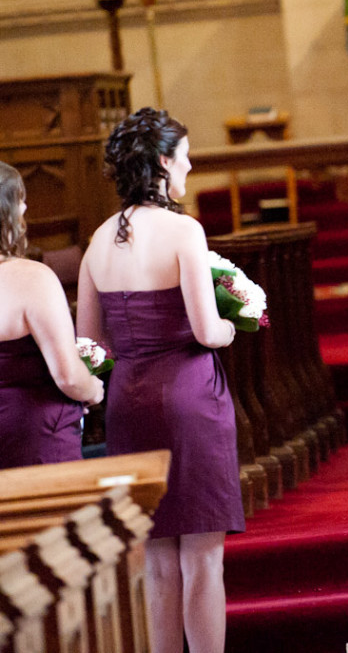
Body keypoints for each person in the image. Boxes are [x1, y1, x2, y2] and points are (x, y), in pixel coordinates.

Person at [75, 108, 243, 653]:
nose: (190, 165)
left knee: (157, 561)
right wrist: (233, 321)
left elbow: (91, 346)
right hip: (190, 397)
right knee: (202, 559)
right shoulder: (183, 230)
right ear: (164, 162)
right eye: (186, 155)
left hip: (130, 402)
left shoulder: (98, 243)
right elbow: (206, 329)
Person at [0, 161, 103, 467]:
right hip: (34, 436)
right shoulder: (33, 278)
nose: (26, 207)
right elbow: (69, 376)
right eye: (20, 200)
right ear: (7, 215)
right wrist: (92, 390)